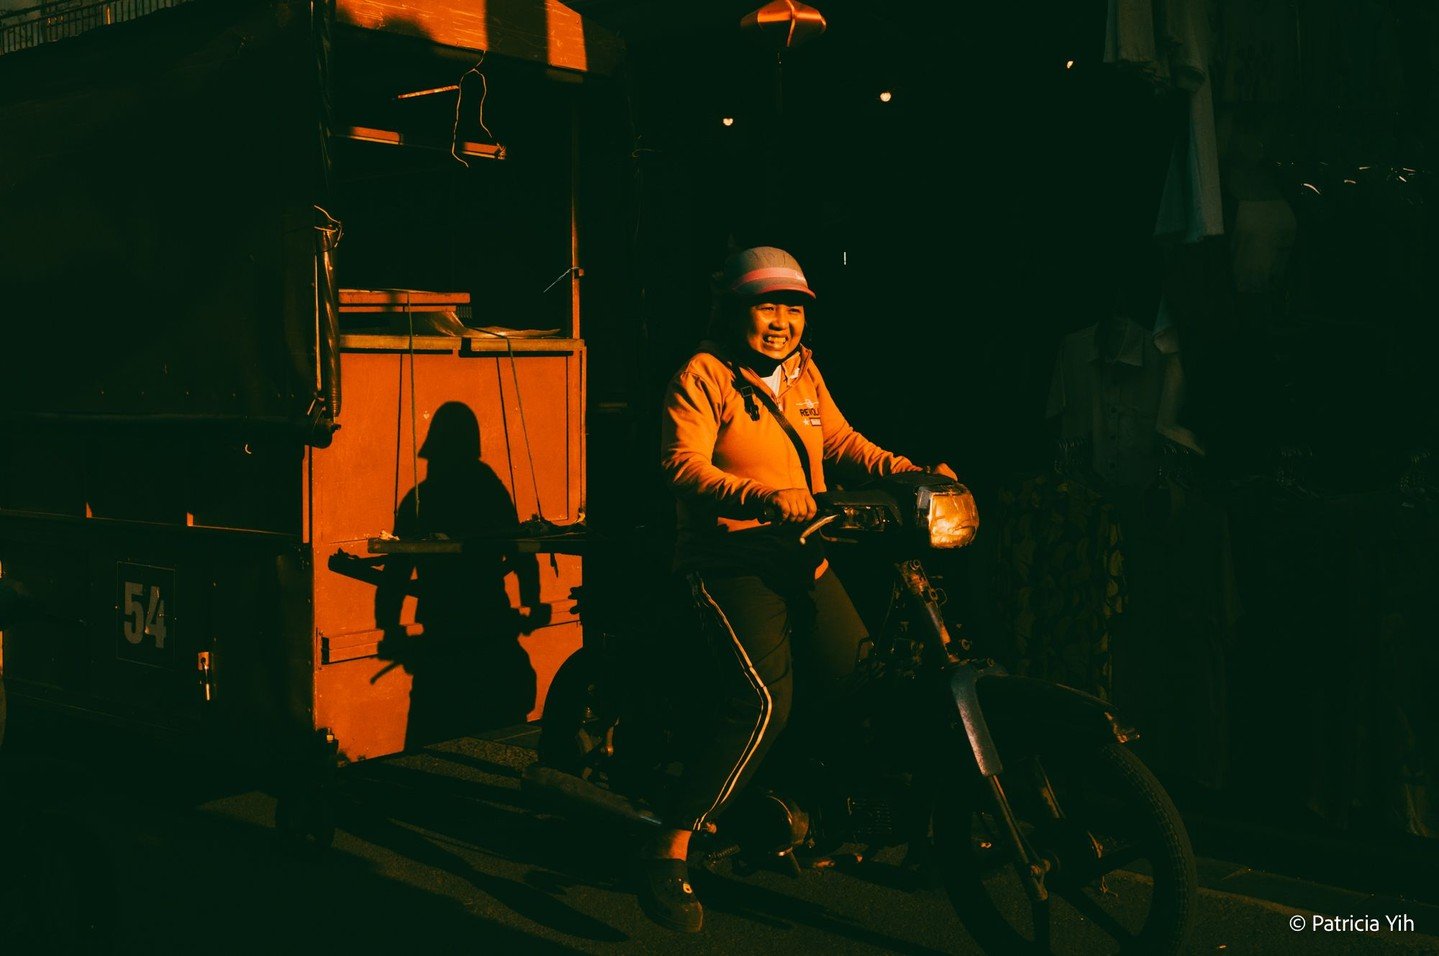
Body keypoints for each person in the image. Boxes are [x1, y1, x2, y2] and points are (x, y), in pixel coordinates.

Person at [641, 245, 957, 932]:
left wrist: (908, 471)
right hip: (730, 561)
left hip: (804, 556)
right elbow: (681, 464)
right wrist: (760, 496)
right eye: (767, 306)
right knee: (761, 701)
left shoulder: (803, 372)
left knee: (861, 679)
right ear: (735, 311)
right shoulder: (703, 375)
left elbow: (840, 442)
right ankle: (671, 847)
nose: (781, 321)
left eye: (792, 308)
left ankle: (803, 802)